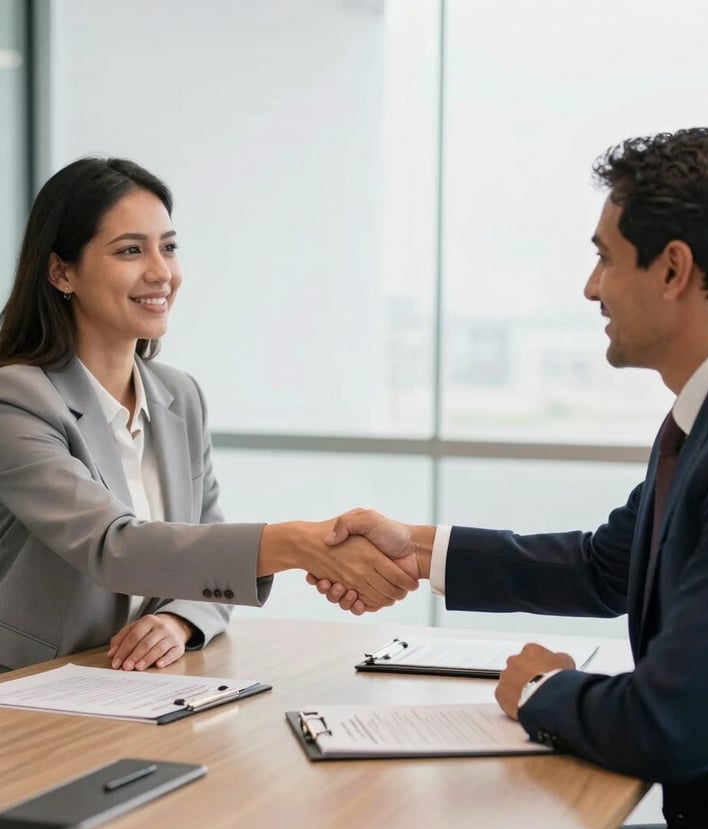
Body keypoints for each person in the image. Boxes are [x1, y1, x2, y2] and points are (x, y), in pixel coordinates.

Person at [309, 128, 708, 829]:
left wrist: (541, 691)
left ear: (674, 269)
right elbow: (607, 566)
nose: (592, 289)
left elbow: (670, 723)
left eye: (605, 257)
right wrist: (414, 549)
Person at [0, 157, 416, 674]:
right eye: (131, 250)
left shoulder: (179, 396)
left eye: (168, 247)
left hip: (134, 685)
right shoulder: (15, 400)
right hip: (28, 689)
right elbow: (115, 546)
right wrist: (300, 544)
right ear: (63, 272)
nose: (161, 273)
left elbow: (206, 552)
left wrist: (179, 621)